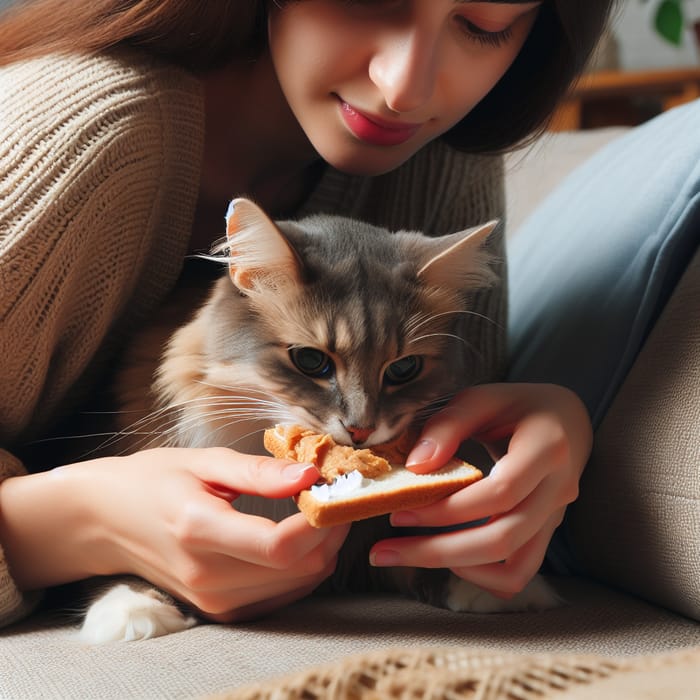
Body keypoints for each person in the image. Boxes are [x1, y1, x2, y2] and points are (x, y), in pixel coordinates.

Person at [0, 0, 616, 628]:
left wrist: (557, 423)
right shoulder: (72, 134)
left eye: (482, 25)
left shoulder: (443, 148)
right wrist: (71, 525)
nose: (404, 87)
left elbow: (441, 421)